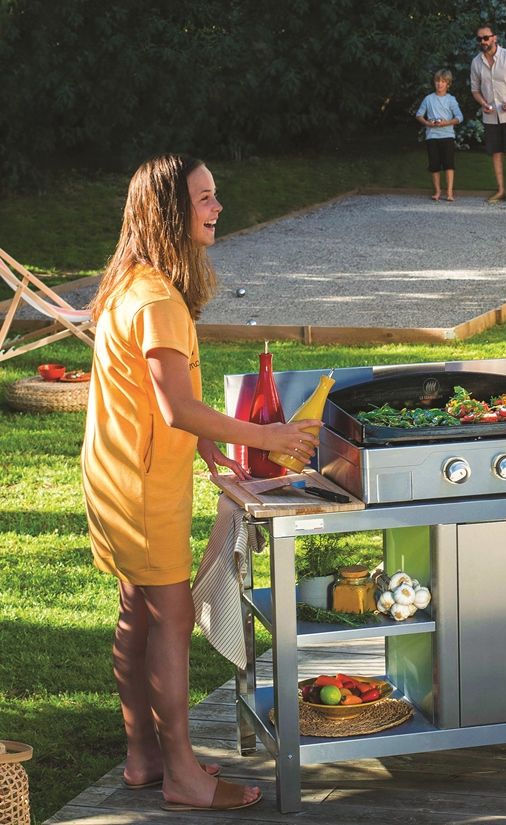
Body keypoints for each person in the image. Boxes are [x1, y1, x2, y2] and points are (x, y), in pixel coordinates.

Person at [81, 154, 321, 813]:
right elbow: (175, 407)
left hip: (116, 474)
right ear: (169, 211)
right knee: (170, 616)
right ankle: (183, 775)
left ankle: (145, 758)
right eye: (204, 198)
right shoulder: (158, 298)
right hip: (141, 488)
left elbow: (150, 393)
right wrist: (269, 438)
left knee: (138, 612)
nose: (217, 208)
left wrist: (206, 440)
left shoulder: (134, 283)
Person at [469, 23, 506, 204]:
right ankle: (501, 190)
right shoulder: (476, 62)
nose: (483, 41)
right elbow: (475, 90)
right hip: (490, 115)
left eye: (486, 37)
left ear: (494, 38)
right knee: (496, 152)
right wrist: (483, 103)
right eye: (479, 38)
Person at [415, 69, 464, 202]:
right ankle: (437, 191)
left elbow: (459, 117)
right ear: (434, 82)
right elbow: (419, 115)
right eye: (437, 81)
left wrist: (446, 123)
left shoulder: (451, 100)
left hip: (447, 136)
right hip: (432, 136)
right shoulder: (428, 99)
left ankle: (449, 192)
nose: (439, 84)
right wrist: (427, 123)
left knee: (449, 164)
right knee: (434, 165)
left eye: (443, 81)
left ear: (448, 84)